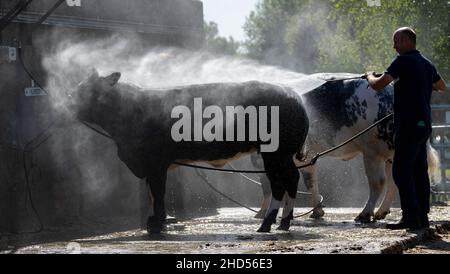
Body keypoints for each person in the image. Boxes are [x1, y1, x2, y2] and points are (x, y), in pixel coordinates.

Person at [366, 27, 447, 230]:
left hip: (409, 125)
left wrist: (369, 76)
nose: (394, 46)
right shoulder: (426, 63)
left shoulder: (402, 61)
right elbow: (442, 86)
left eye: (396, 41)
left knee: (401, 172)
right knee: (419, 171)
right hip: (424, 125)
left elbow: (378, 85)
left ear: (405, 41)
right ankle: (423, 217)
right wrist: (423, 84)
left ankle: (410, 218)